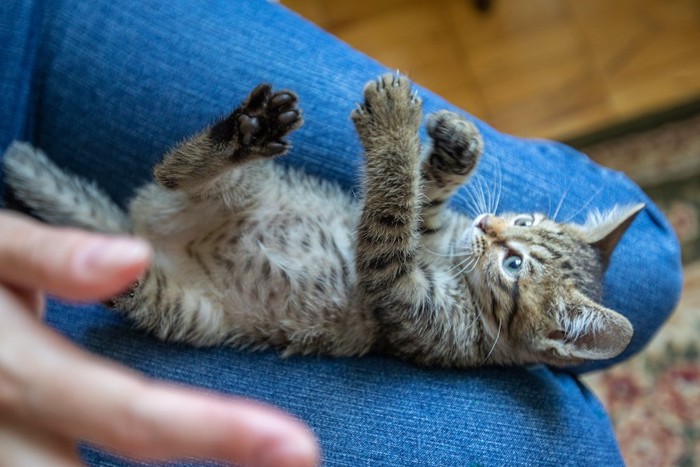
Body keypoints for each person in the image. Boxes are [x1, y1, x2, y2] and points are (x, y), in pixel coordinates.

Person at [0, 0, 682, 465]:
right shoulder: (485, 268)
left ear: (548, 333)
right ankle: (224, 151)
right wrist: (439, 177)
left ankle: (205, 163)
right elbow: (423, 227)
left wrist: (394, 152)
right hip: (240, 212)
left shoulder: (461, 337)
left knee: (168, 301)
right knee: (649, 265)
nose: (497, 227)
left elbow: (389, 275)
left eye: (511, 260)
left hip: (209, 287)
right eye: (524, 226)